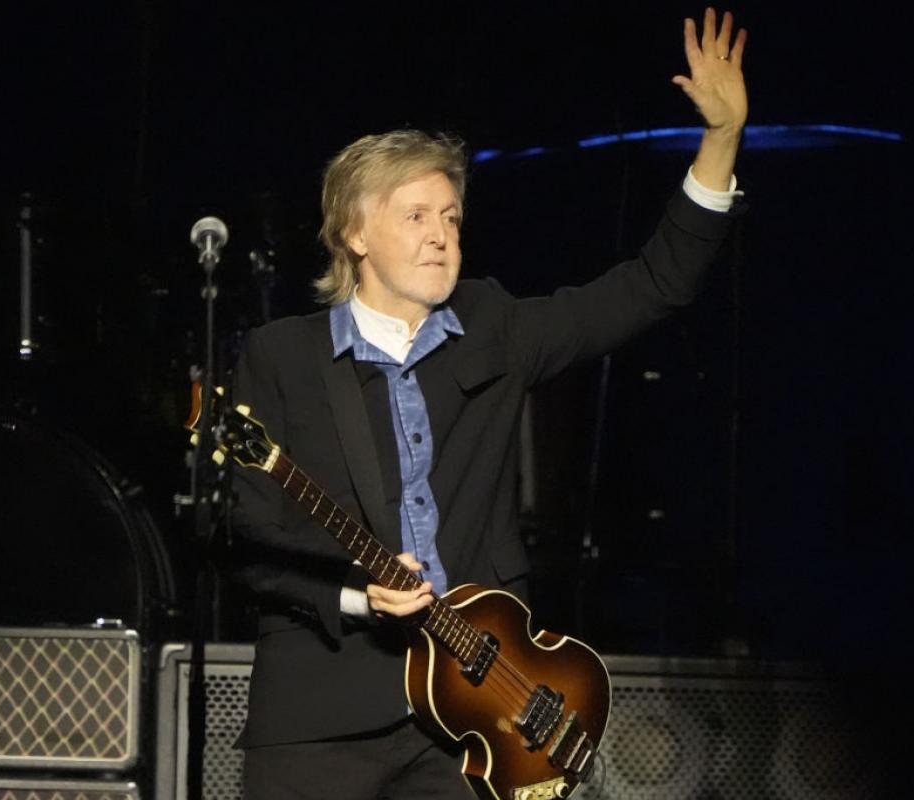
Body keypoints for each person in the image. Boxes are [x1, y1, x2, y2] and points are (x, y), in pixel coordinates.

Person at [230, 7, 748, 798]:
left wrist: (721, 138)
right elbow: (249, 539)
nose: (441, 235)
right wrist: (357, 597)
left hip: (480, 715)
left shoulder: (495, 327)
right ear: (354, 236)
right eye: (415, 216)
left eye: (451, 217)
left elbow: (653, 286)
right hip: (323, 716)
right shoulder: (283, 357)